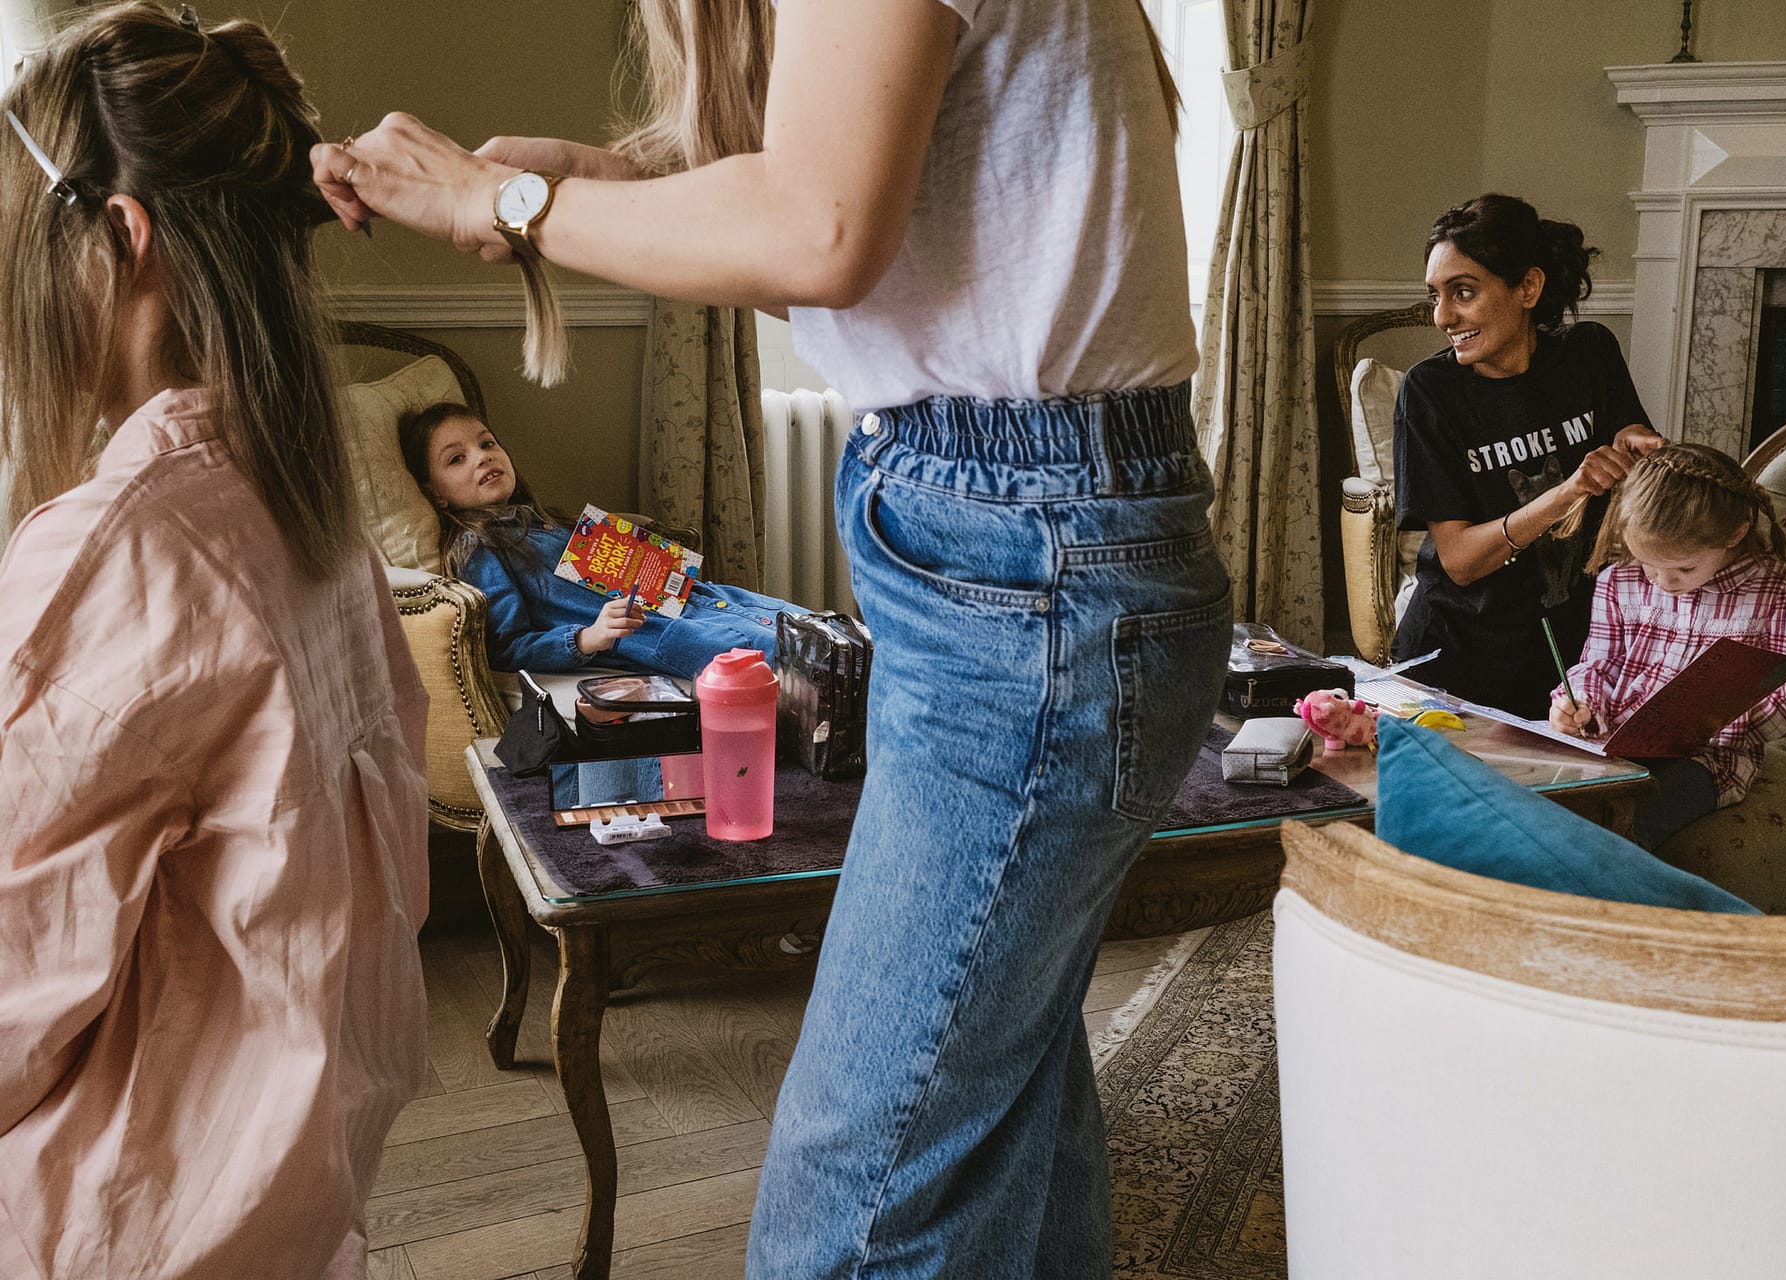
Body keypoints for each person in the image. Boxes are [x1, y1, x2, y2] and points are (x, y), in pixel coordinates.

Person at [312, 1, 1231, 1273]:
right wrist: (587, 180)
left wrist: (511, 203)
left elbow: (819, 227)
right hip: (1027, 541)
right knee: (1007, 1099)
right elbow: (875, 195)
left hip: (1028, 559)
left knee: (860, 1187)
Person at [0, 6, 430, 1277]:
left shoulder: (119, 551)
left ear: (121, 239)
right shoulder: (316, 521)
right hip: (288, 1207)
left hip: (114, 1225)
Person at [1394, 193, 1667, 717]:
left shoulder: (1590, 352)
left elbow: (1626, 432)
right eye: (1435, 296)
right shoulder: (1429, 392)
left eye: (1463, 292)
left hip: (1574, 658)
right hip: (1455, 661)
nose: (1443, 317)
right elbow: (1460, 562)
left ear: (1528, 287)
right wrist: (1568, 492)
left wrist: (1636, 441)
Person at [1547, 443, 1786, 852]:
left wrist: (1713, 722)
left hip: (1707, 762)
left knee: (1620, 829)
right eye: (1648, 565)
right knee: (1538, 809)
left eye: (1684, 567)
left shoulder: (1782, 591)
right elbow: (1600, 664)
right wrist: (1580, 704)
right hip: (1612, 748)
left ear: (1735, 533)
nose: (1664, 582)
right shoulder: (1618, 579)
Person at [400, 401, 800, 679]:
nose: (482, 457)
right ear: (435, 494)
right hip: (675, 636)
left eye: (487, 443)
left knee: (812, 630)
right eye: (456, 458)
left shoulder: (545, 522)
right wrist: (587, 637)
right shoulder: (480, 548)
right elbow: (507, 647)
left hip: (708, 600)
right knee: (798, 663)